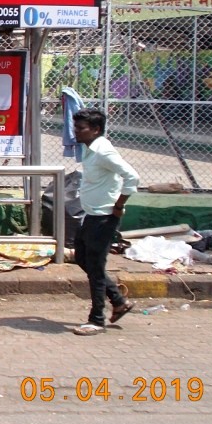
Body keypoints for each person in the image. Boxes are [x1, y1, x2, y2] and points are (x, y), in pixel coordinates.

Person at [71, 108, 140, 336]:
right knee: (82, 258)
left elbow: (132, 176)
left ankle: (97, 320)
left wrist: (119, 205)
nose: (76, 132)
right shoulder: (89, 148)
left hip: (104, 218)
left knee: (96, 268)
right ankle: (119, 301)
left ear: (96, 130)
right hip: (91, 215)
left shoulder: (104, 152)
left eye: (81, 128)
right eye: (76, 127)